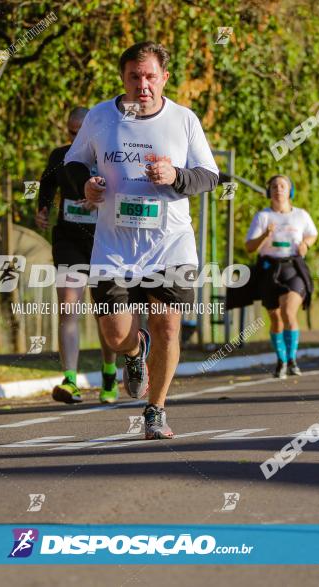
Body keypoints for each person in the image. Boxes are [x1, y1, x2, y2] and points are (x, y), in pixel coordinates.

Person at [63, 41, 219, 439]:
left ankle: (156, 409)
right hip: (114, 246)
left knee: (168, 326)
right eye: (135, 76)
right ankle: (135, 352)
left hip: (171, 243)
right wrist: (86, 183)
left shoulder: (183, 119)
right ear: (124, 77)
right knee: (115, 335)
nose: (142, 85)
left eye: (150, 76)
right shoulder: (100, 117)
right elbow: (72, 163)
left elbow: (209, 175)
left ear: (165, 78)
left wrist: (176, 177)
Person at [36, 107, 118, 404]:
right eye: (71, 131)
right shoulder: (61, 156)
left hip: (105, 243)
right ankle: (70, 380)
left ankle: (109, 374)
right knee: (68, 308)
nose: (75, 136)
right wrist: (42, 210)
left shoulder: (110, 156)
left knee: (105, 314)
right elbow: (46, 186)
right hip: (70, 241)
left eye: (80, 131)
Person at [244, 175, 317, 379]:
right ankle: (281, 360)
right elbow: (249, 247)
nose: (278, 189)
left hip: (293, 268)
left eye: (282, 186)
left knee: (288, 311)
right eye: (274, 186)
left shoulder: (301, 215)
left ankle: (292, 359)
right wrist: (264, 236)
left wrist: (306, 244)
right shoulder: (263, 217)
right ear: (269, 192)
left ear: (290, 191)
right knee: (275, 318)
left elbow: (312, 234)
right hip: (269, 269)